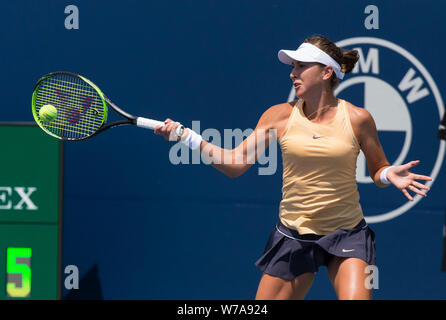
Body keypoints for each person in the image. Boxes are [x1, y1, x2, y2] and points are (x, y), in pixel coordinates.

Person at [154, 35, 433, 300]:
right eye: (292, 66)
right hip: (294, 235)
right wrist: (186, 136)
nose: (292, 73)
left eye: (301, 66)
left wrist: (387, 174)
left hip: (347, 233)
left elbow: (378, 169)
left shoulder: (359, 119)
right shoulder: (278, 116)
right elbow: (235, 164)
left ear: (326, 72)